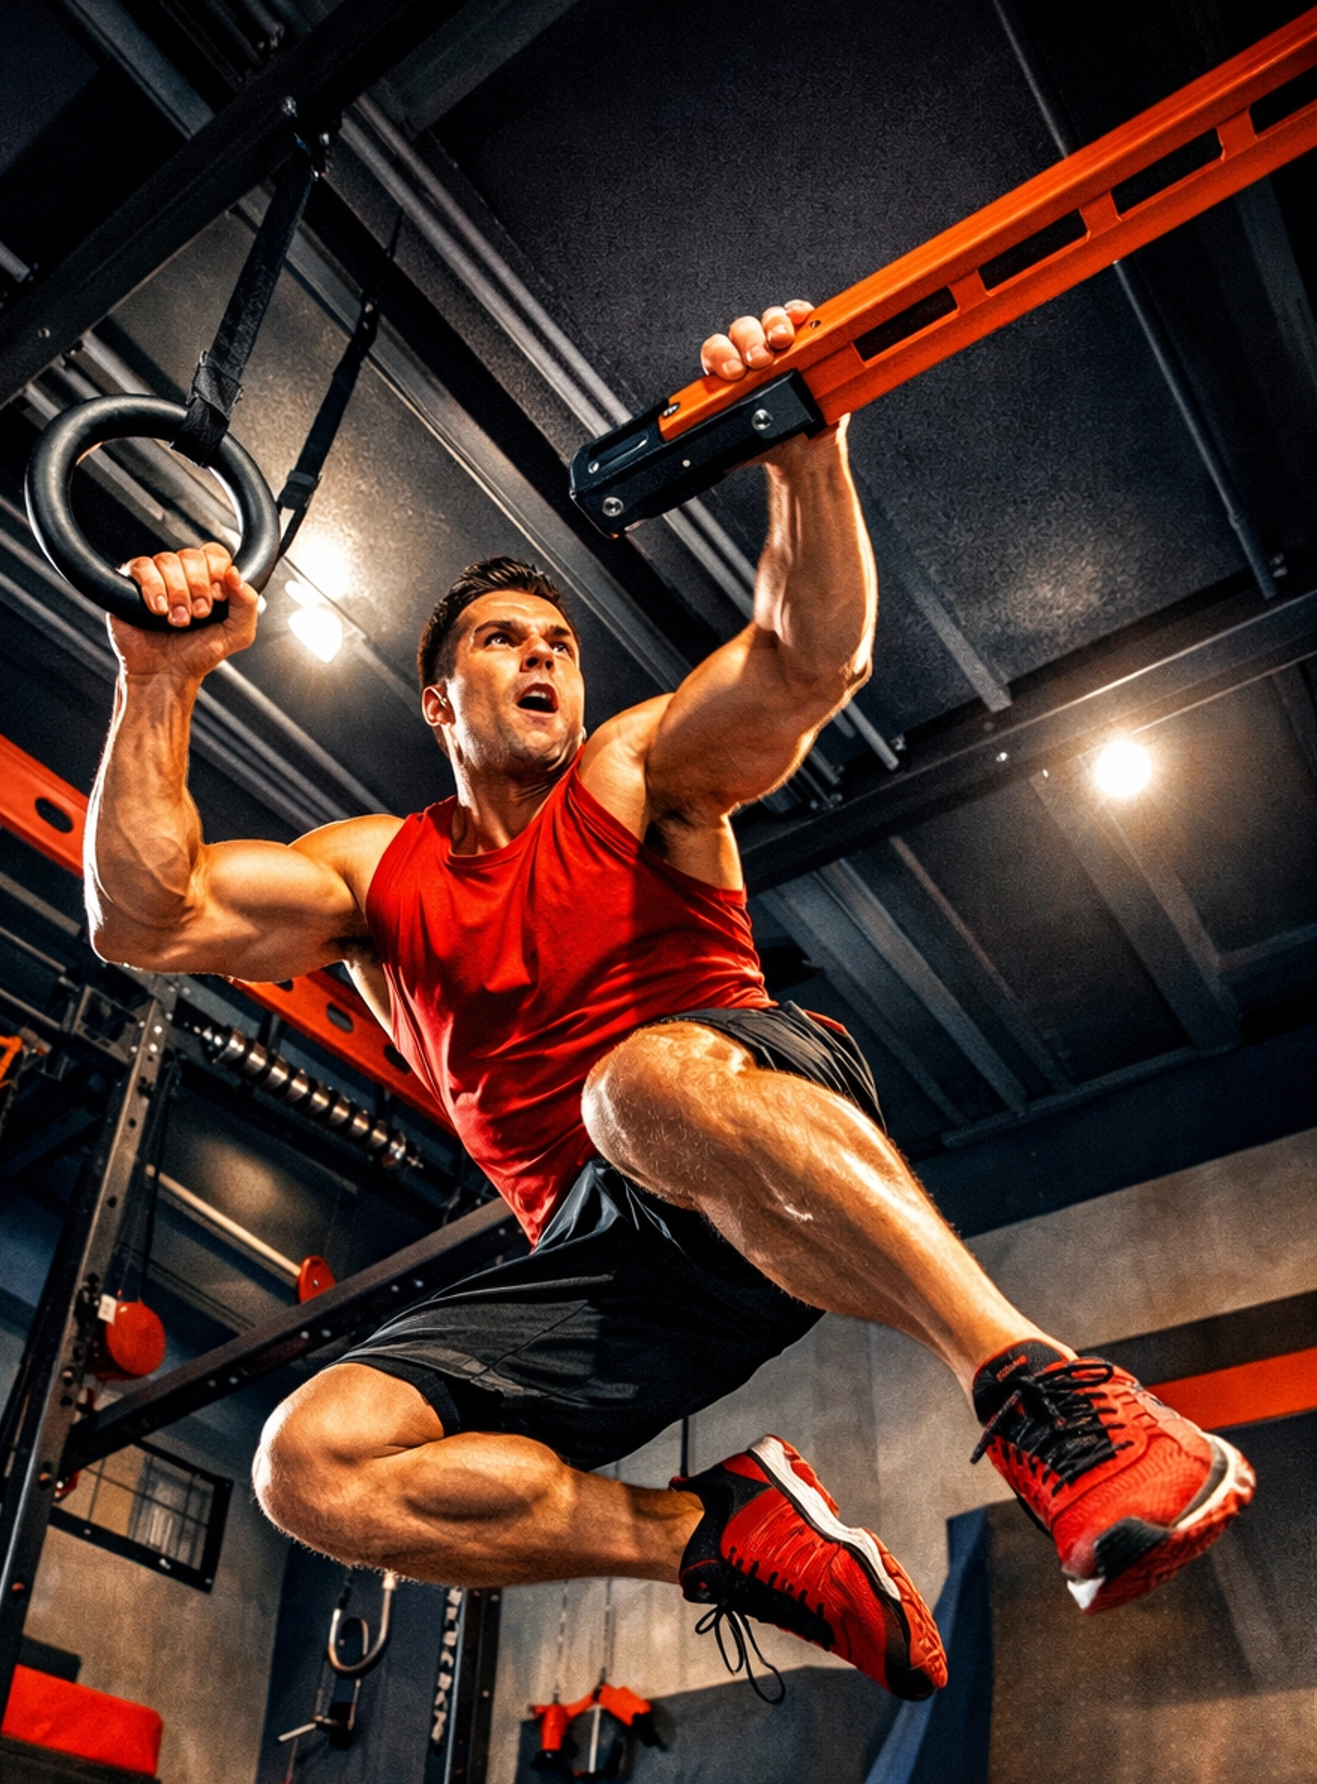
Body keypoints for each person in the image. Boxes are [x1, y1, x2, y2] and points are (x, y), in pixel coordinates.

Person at [87, 297, 1255, 1705]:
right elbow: (145, 917)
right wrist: (158, 681)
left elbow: (808, 664)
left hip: (743, 1114)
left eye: (558, 644)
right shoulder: (367, 874)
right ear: (438, 703)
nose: (541, 658)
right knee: (306, 1466)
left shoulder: (635, 771)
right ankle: (712, 1533)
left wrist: (805, 453)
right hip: (610, 1260)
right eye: (502, 642)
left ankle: (1040, 1391)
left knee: (634, 1087)